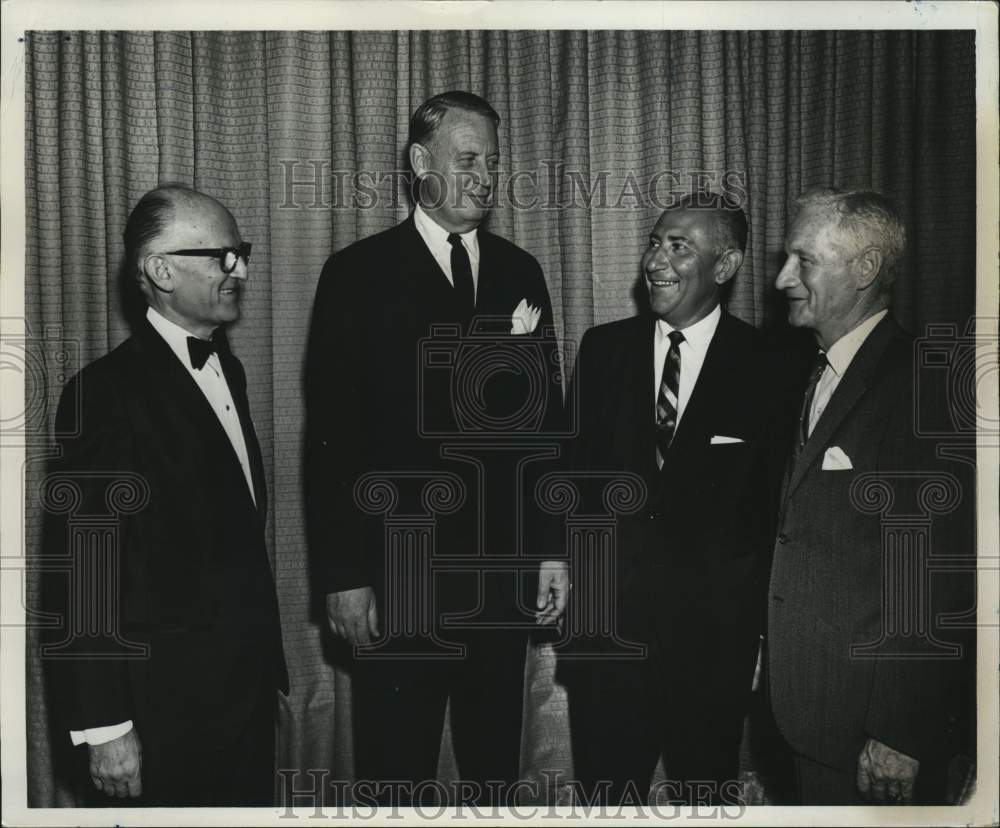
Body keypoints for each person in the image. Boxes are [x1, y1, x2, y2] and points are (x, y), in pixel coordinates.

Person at [304, 91, 566, 805]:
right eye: (469, 158)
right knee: (395, 771)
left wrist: (550, 548)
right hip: (397, 575)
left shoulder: (521, 272)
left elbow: (548, 426)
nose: (485, 176)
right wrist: (343, 576)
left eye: (493, 162)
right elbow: (330, 441)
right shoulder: (355, 274)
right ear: (422, 162)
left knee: (492, 774)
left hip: (499, 576)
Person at [43, 185, 288, 806]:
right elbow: (84, 571)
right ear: (159, 270)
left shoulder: (226, 369)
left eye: (242, 252)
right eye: (221, 256)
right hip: (162, 713)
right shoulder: (105, 393)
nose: (242, 269)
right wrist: (105, 728)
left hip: (244, 700)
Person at [560, 192, 795, 805]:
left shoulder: (776, 365)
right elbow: (572, 481)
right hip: (607, 641)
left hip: (711, 648)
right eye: (655, 242)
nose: (655, 261)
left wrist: (765, 640)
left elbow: (775, 515)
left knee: (702, 798)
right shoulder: (603, 349)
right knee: (605, 803)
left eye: (678, 246)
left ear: (725, 266)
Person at [767, 187, 973, 804]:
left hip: (871, 737)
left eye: (803, 260)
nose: (781, 279)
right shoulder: (815, 371)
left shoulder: (922, 383)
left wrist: (900, 732)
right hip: (814, 715)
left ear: (864, 269)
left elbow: (936, 572)